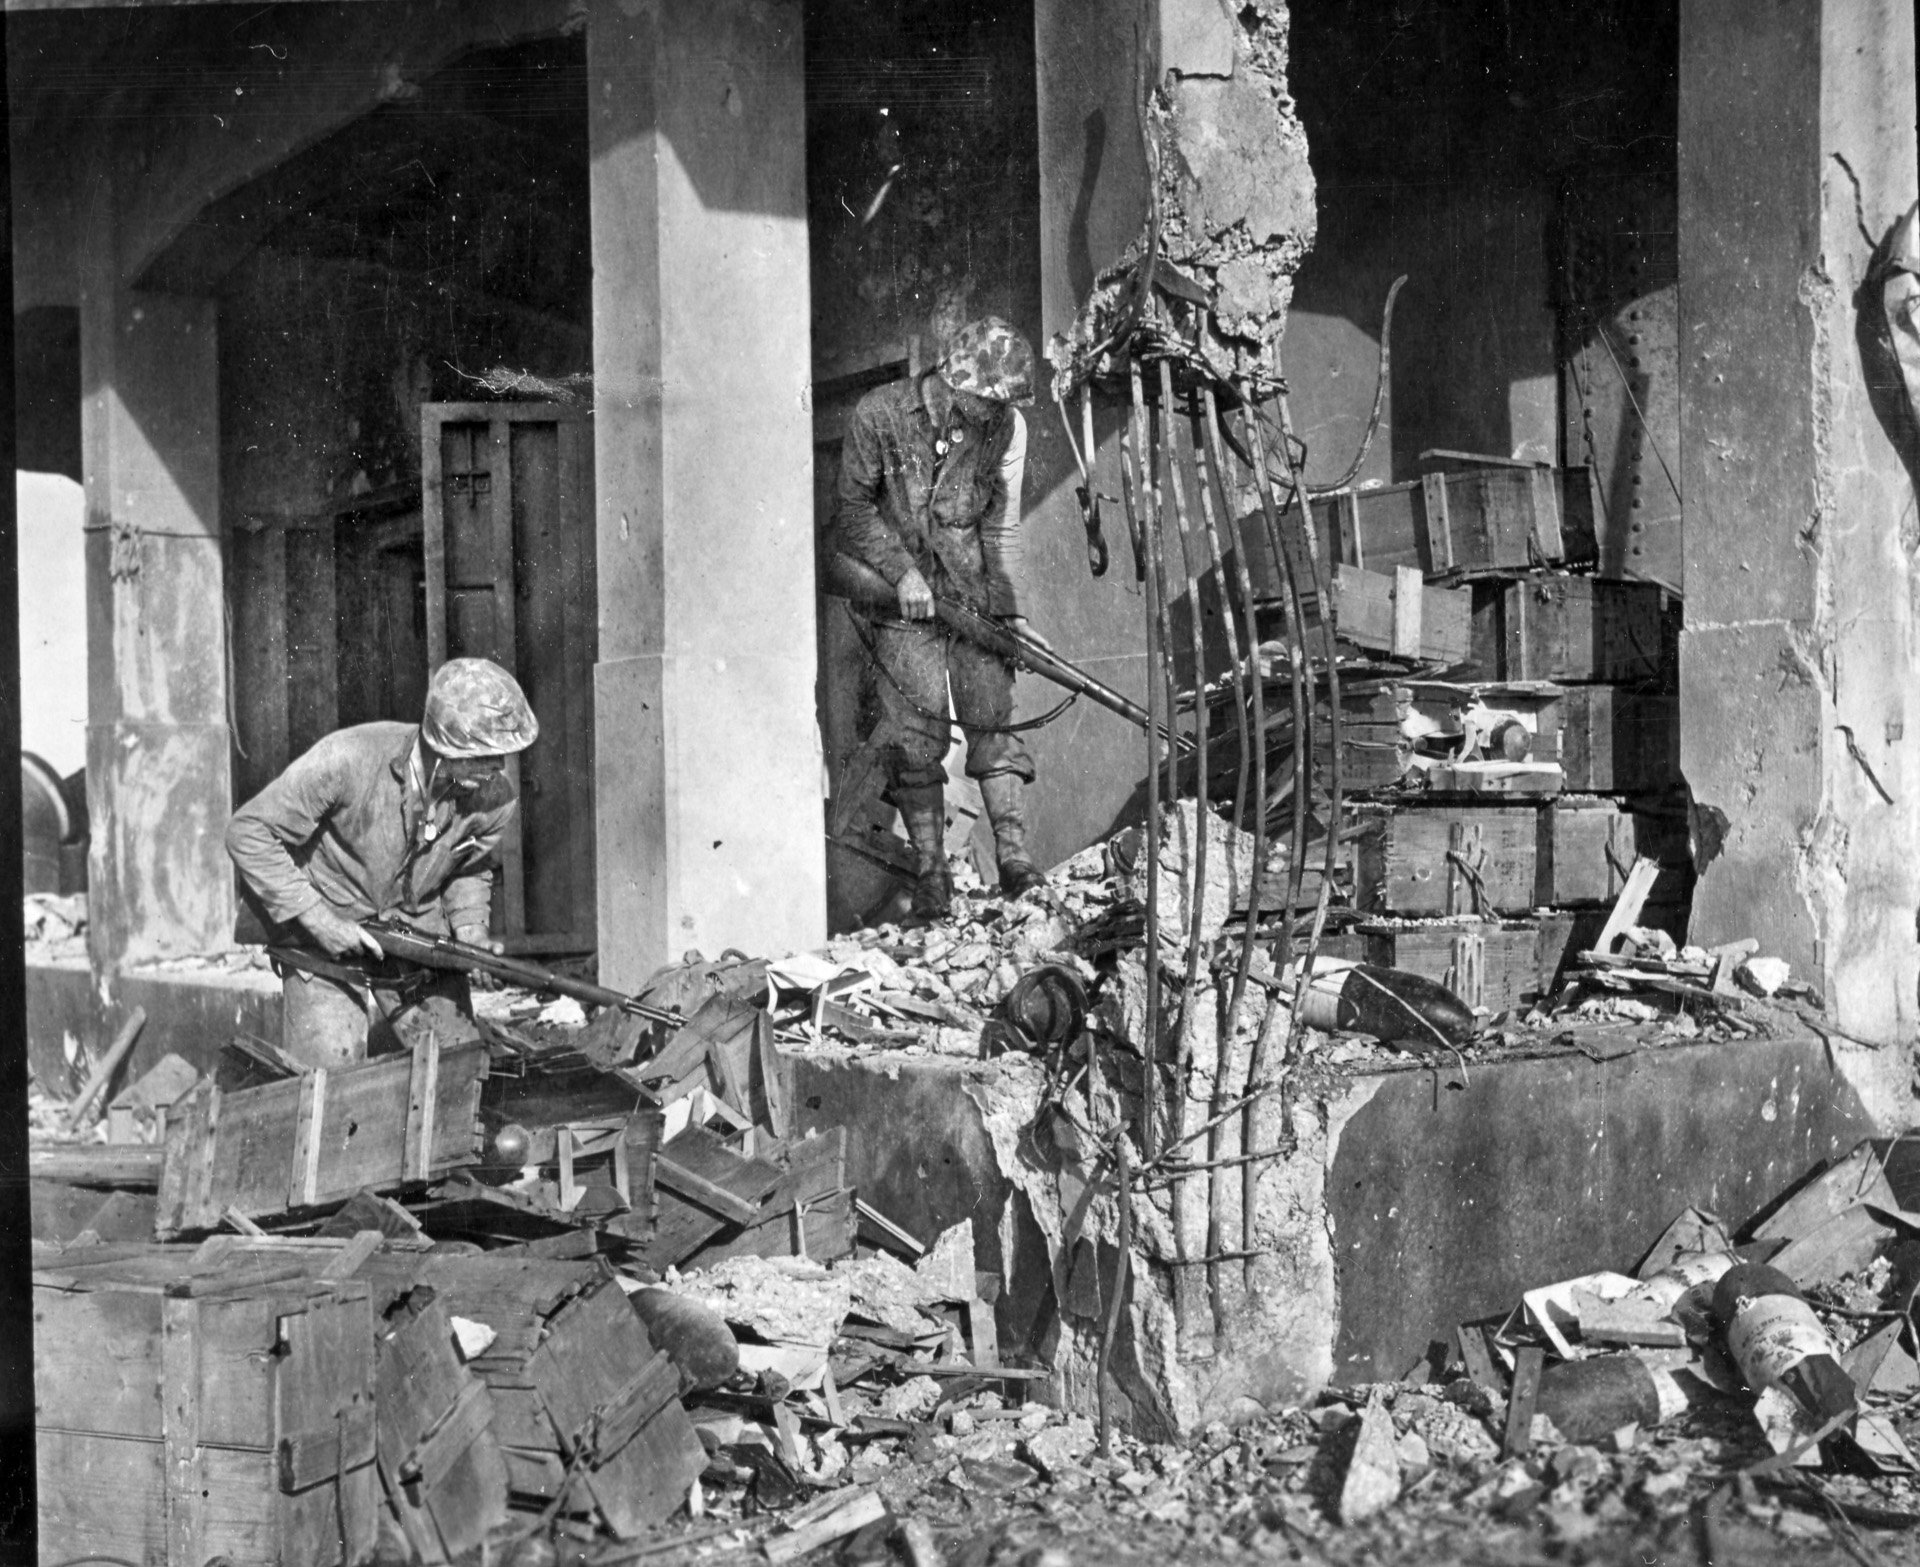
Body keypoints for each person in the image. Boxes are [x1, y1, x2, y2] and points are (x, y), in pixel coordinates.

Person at [833, 315, 1050, 919]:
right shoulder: (879, 414)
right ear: (955, 382)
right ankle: (932, 875)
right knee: (915, 737)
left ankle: (1016, 863)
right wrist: (901, 571)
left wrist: (1012, 613)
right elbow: (851, 512)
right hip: (901, 606)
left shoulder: (1007, 427)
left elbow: (999, 527)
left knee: (994, 721)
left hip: (972, 601)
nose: (994, 415)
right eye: (987, 401)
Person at [226, 657, 538, 1070]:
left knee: (458, 1075)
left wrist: (471, 934)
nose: (498, 769)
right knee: (327, 1089)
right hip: (324, 937)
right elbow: (248, 831)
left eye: (502, 756)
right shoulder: (347, 759)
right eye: (483, 756)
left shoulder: (494, 796)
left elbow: (469, 864)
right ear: (443, 746)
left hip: (415, 937)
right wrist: (319, 921)